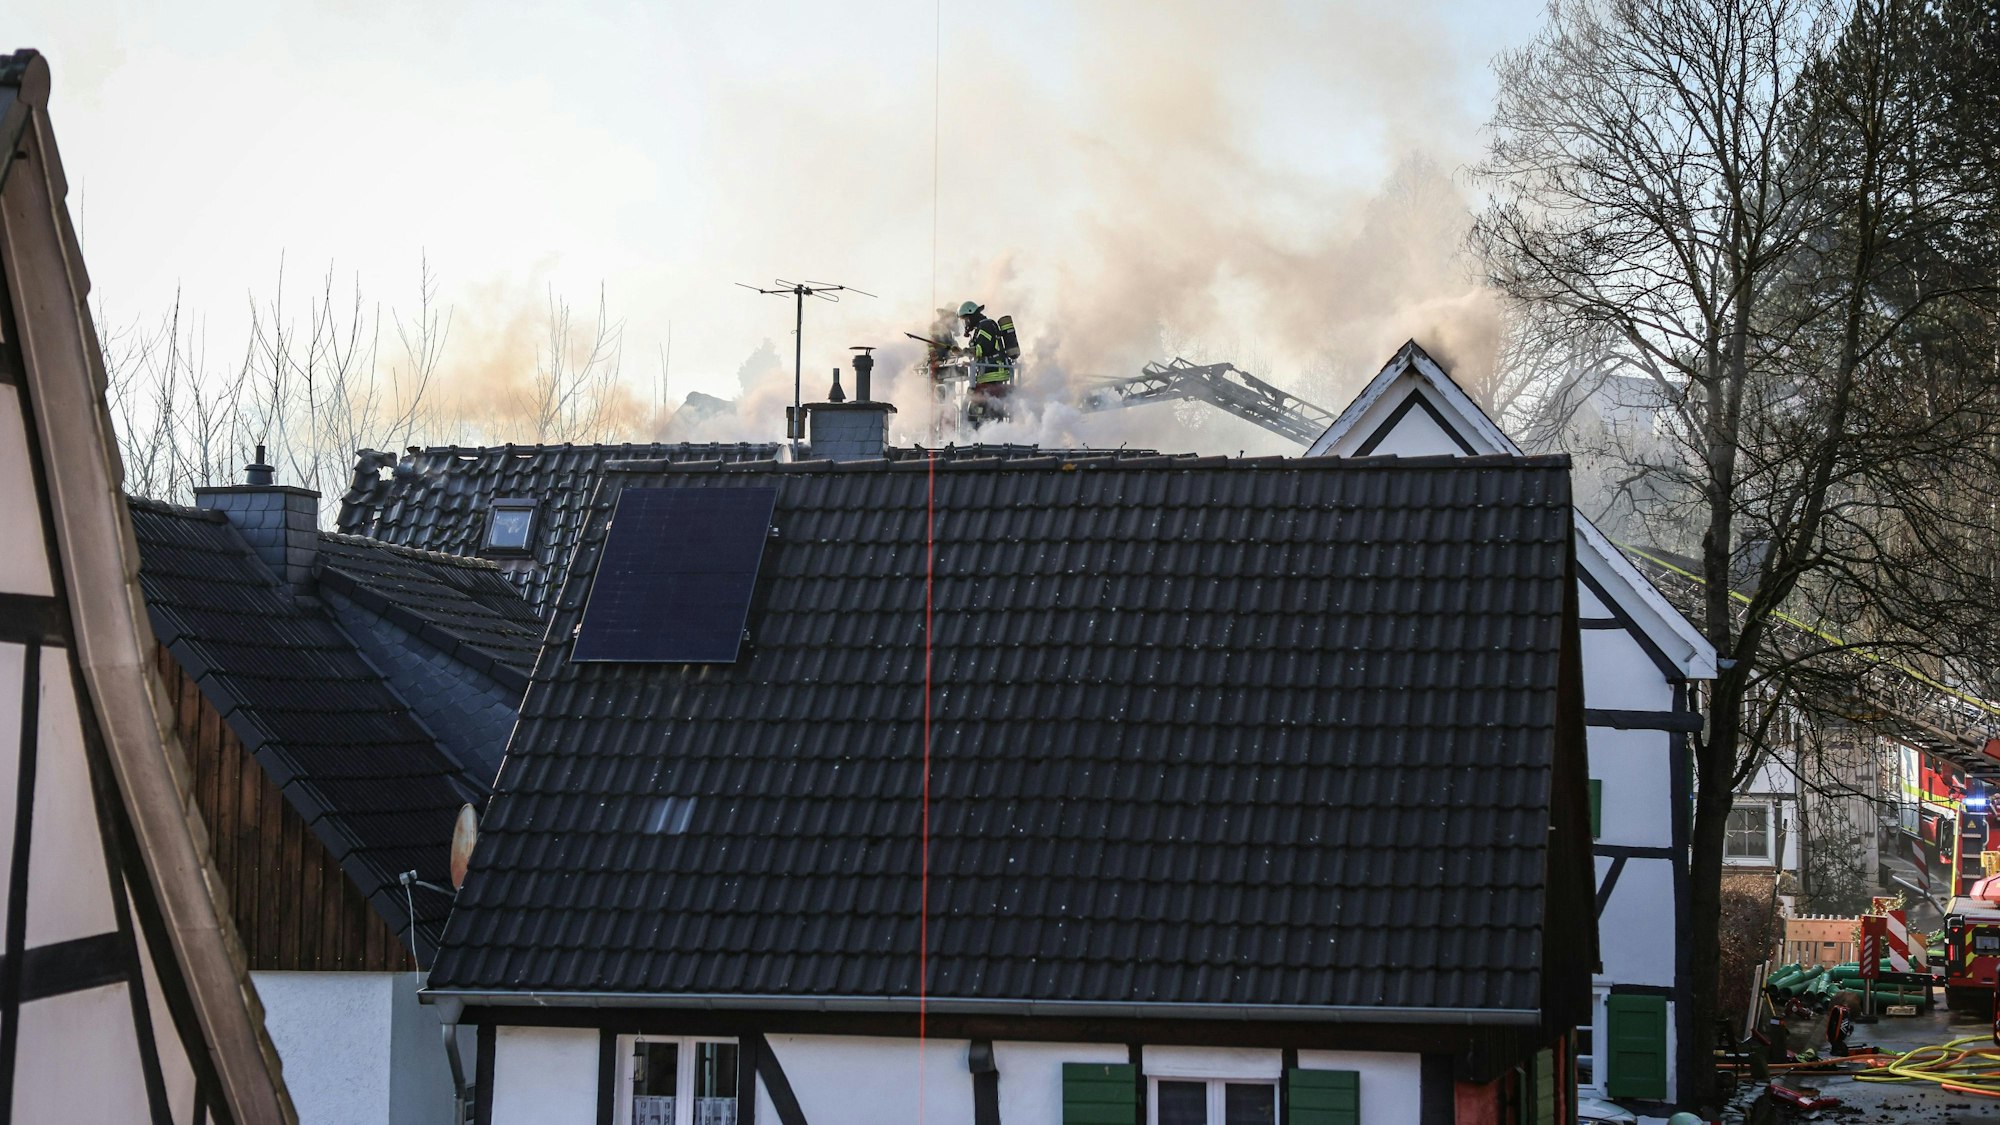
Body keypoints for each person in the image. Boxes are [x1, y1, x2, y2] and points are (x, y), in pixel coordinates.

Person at [957, 300, 1013, 425]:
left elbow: (982, 349)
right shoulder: (981, 327)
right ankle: (985, 432)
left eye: (965, 319)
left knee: (975, 407)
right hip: (988, 375)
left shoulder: (985, 326)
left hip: (993, 374)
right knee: (981, 407)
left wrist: (964, 352)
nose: (965, 323)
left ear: (971, 316)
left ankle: (979, 434)